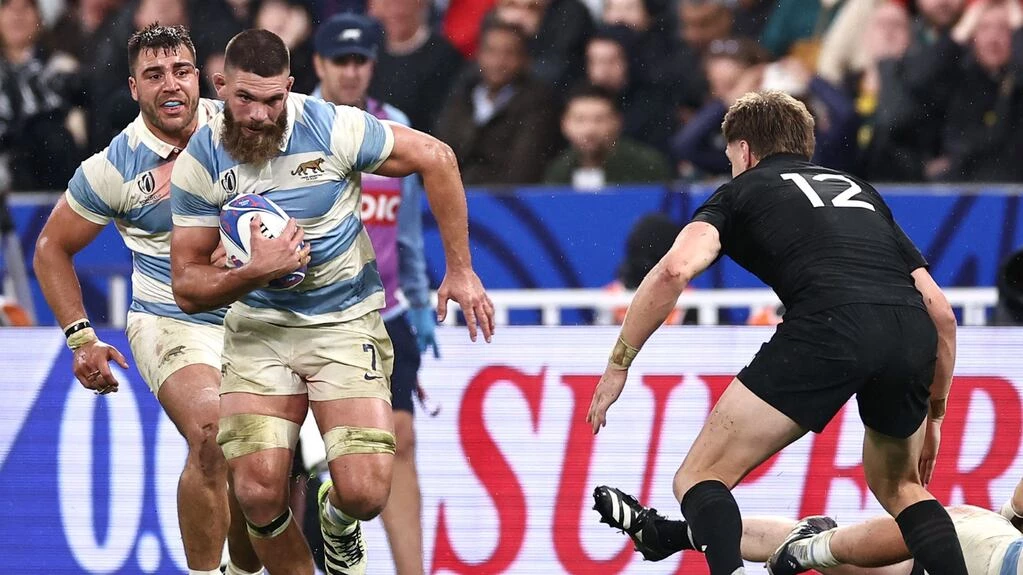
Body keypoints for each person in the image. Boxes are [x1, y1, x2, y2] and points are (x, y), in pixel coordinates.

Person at [586, 90, 964, 575]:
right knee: (902, 489)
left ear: (744, 151)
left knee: (700, 477)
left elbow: (672, 272)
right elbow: (942, 314)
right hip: (909, 329)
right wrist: (934, 417)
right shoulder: (857, 189)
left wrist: (619, 363)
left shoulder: (741, 190)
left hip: (829, 326)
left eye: (729, 158)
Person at [169, 28, 493, 575]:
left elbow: (436, 157)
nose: (259, 114)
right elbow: (187, 284)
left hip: (344, 323)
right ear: (219, 86)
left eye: (273, 100)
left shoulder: (333, 125)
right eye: (244, 98)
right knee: (257, 492)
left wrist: (460, 270)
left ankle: (335, 521)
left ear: (291, 88)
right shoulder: (199, 163)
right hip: (259, 331)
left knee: (365, 494)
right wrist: (255, 270)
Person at [31, 24, 261, 575]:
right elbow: (49, 249)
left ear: (200, 76)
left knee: (263, 472)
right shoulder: (114, 167)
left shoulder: (248, 125)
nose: (171, 85)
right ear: (133, 88)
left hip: (262, 318)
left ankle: (244, 566)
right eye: (154, 75)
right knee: (213, 434)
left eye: (181, 70)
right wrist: (81, 337)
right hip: (173, 320)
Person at [311, 13, 435, 575]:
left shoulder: (396, 126)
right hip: (308, 315)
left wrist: (420, 300)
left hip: (385, 313)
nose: (352, 72)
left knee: (400, 440)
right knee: (297, 461)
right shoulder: (291, 126)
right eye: (341, 60)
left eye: (361, 60)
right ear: (318, 64)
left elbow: (405, 233)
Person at [593, 484, 1023, 575]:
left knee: (924, 530)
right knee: (919, 537)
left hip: (987, 550)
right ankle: (666, 535)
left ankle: (809, 549)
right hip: (987, 553)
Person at [544, 84, 672, 188]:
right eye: (580, 120)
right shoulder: (559, 171)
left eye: (599, 119)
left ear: (617, 121)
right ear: (564, 124)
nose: (589, 130)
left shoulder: (646, 165)